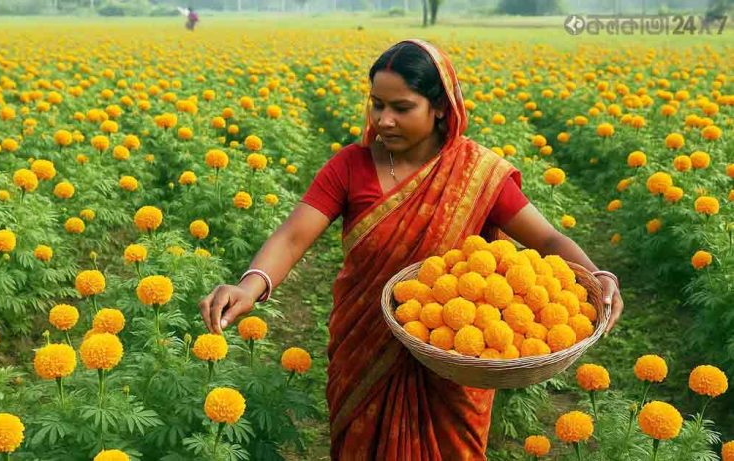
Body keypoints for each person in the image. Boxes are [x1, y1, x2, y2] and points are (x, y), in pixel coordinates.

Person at [198, 39, 624, 460]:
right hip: (364, 348)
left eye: (401, 108)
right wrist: (250, 285)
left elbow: (548, 240)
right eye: (376, 104)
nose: (384, 120)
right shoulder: (351, 166)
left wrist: (598, 275)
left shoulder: (477, 172)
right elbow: (292, 236)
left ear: (440, 107)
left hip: (455, 354)